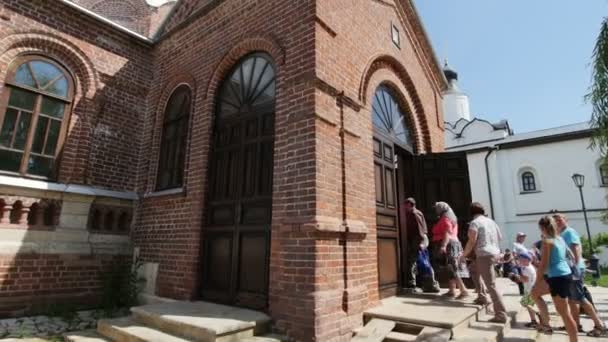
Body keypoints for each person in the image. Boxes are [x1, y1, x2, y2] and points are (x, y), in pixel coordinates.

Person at [553, 213, 607, 337]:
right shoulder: (561, 234)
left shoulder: (569, 232)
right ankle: (575, 325)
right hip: (568, 269)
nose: (557, 222)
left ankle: (600, 325)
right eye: (555, 221)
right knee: (572, 300)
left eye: (559, 219)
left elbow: (576, 249)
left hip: (574, 269)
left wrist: (575, 268)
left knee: (580, 298)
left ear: (566, 220)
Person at [461, 202, 507, 323]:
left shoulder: (475, 223)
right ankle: (481, 296)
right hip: (494, 253)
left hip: (484, 255)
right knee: (473, 269)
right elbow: (500, 236)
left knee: (491, 285)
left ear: (471, 212)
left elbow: (472, 241)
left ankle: (501, 314)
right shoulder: (491, 221)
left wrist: (463, 255)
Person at [535, 216, 577, 342]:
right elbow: (571, 256)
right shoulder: (559, 239)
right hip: (563, 274)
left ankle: (573, 340)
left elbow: (544, 264)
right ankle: (545, 323)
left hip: (557, 277)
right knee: (533, 293)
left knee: (565, 314)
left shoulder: (547, 242)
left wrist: (538, 280)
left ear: (542, 228)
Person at [401, 198, 440, 293]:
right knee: (419, 261)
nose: (403, 206)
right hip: (416, 239)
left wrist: (421, 243)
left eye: (405, 204)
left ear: (410, 204)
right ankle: (420, 282)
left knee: (414, 260)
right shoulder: (411, 213)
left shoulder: (415, 213)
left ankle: (412, 283)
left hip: (418, 239)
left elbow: (420, 230)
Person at [431, 202, 469, 299]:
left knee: (452, 268)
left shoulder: (445, 219)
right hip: (452, 243)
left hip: (448, 245)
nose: (436, 210)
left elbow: (447, 233)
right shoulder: (451, 218)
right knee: (449, 268)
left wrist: (443, 246)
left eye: (437, 208)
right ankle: (452, 290)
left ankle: (463, 290)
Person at [514, 252, 539, 328]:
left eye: (521, 260)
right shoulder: (529, 267)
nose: (519, 261)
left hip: (529, 290)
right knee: (527, 305)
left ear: (526, 260)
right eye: (519, 259)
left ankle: (537, 316)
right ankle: (534, 320)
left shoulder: (527, 269)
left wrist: (516, 277)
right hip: (530, 289)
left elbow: (524, 280)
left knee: (529, 305)